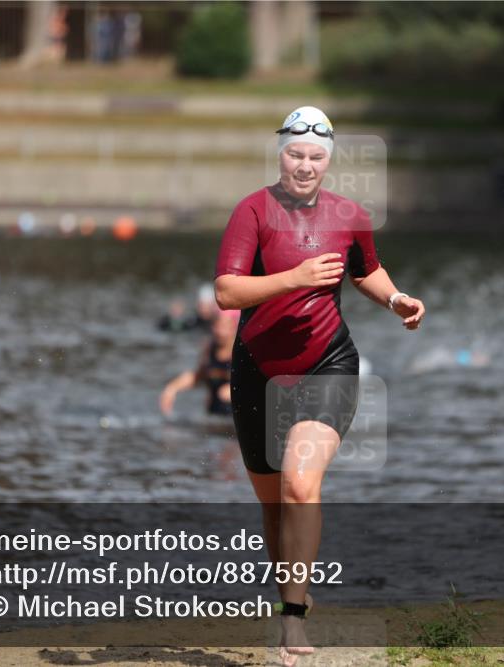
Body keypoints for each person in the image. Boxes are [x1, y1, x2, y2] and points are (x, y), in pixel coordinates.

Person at [214, 105, 425, 665]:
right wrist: (294, 279)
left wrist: (395, 298)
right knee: (273, 504)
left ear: (328, 162)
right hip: (258, 368)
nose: (303, 166)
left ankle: (292, 619)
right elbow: (227, 294)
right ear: (279, 153)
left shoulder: (350, 215)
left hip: (328, 361)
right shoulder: (252, 212)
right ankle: (292, 592)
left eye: (315, 157)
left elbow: (365, 270)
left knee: (300, 486)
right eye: (294, 154)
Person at [159, 310, 239, 418]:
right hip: (213, 414)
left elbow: (254, 386)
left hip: (235, 417)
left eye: (225, 327)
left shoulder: (239, 352)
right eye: (217, 326)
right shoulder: (209, 349)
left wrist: (235, 391)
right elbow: (198, 376)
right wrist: (172, 388)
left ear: (234, 328)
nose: (220, 332)